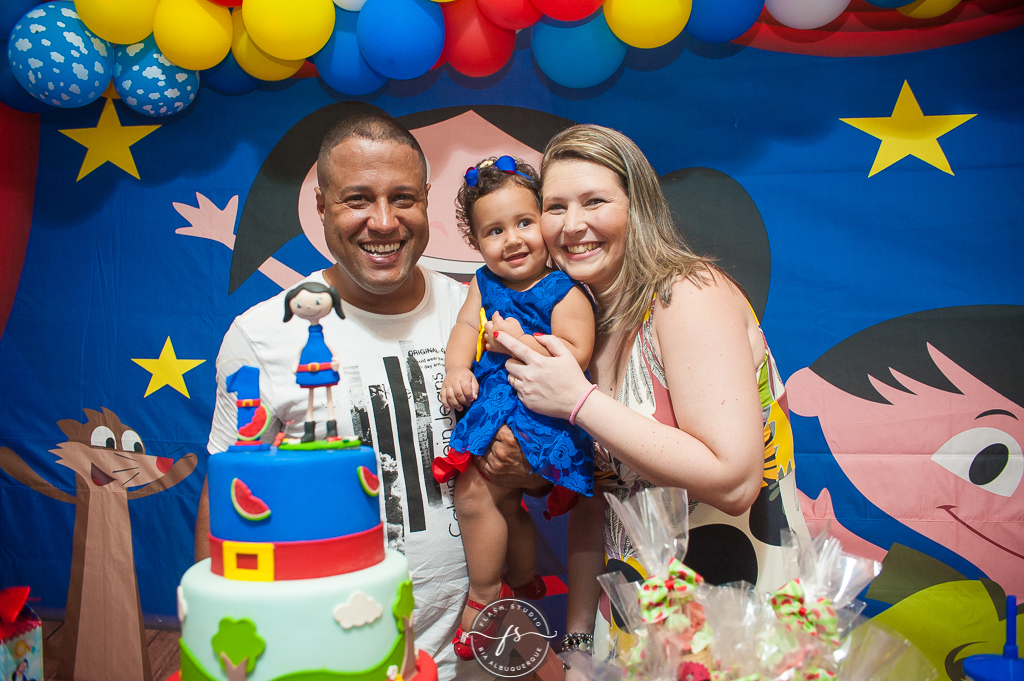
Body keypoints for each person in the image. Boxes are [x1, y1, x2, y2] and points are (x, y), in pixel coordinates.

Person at [485, 124, 810, 663]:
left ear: (638, 207)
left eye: (594, 202)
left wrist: (579, 403)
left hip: (737, 610)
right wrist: (582, 647)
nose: (573, 225)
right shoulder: (592, 327)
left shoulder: (687, 294)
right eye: (555, 206)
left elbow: (733, 480)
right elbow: (599, 503)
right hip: (642, 620)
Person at [197, 111, 502, 681]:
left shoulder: (478, 314)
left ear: (427, 200)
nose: (383, 221)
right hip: (326, 652)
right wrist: (225, 637)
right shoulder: (263, 334)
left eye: (403, 198)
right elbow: (228, 494)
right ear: (321, 205)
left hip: (469, 645)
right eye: (357, 199)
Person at [431, 155, 596, 660]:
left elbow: (577, 351)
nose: (513, 239)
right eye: (494, 231)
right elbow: (465, 329)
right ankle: (522, 579)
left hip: (537, 410)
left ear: (545, 224)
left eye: (525, 222)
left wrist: (524, 342)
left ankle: (481, 600)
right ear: (477, 244)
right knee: (503, 504)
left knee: (476, 495)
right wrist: (458, 369)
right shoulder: (483, 283)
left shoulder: (563, 288)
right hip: (494, 405)